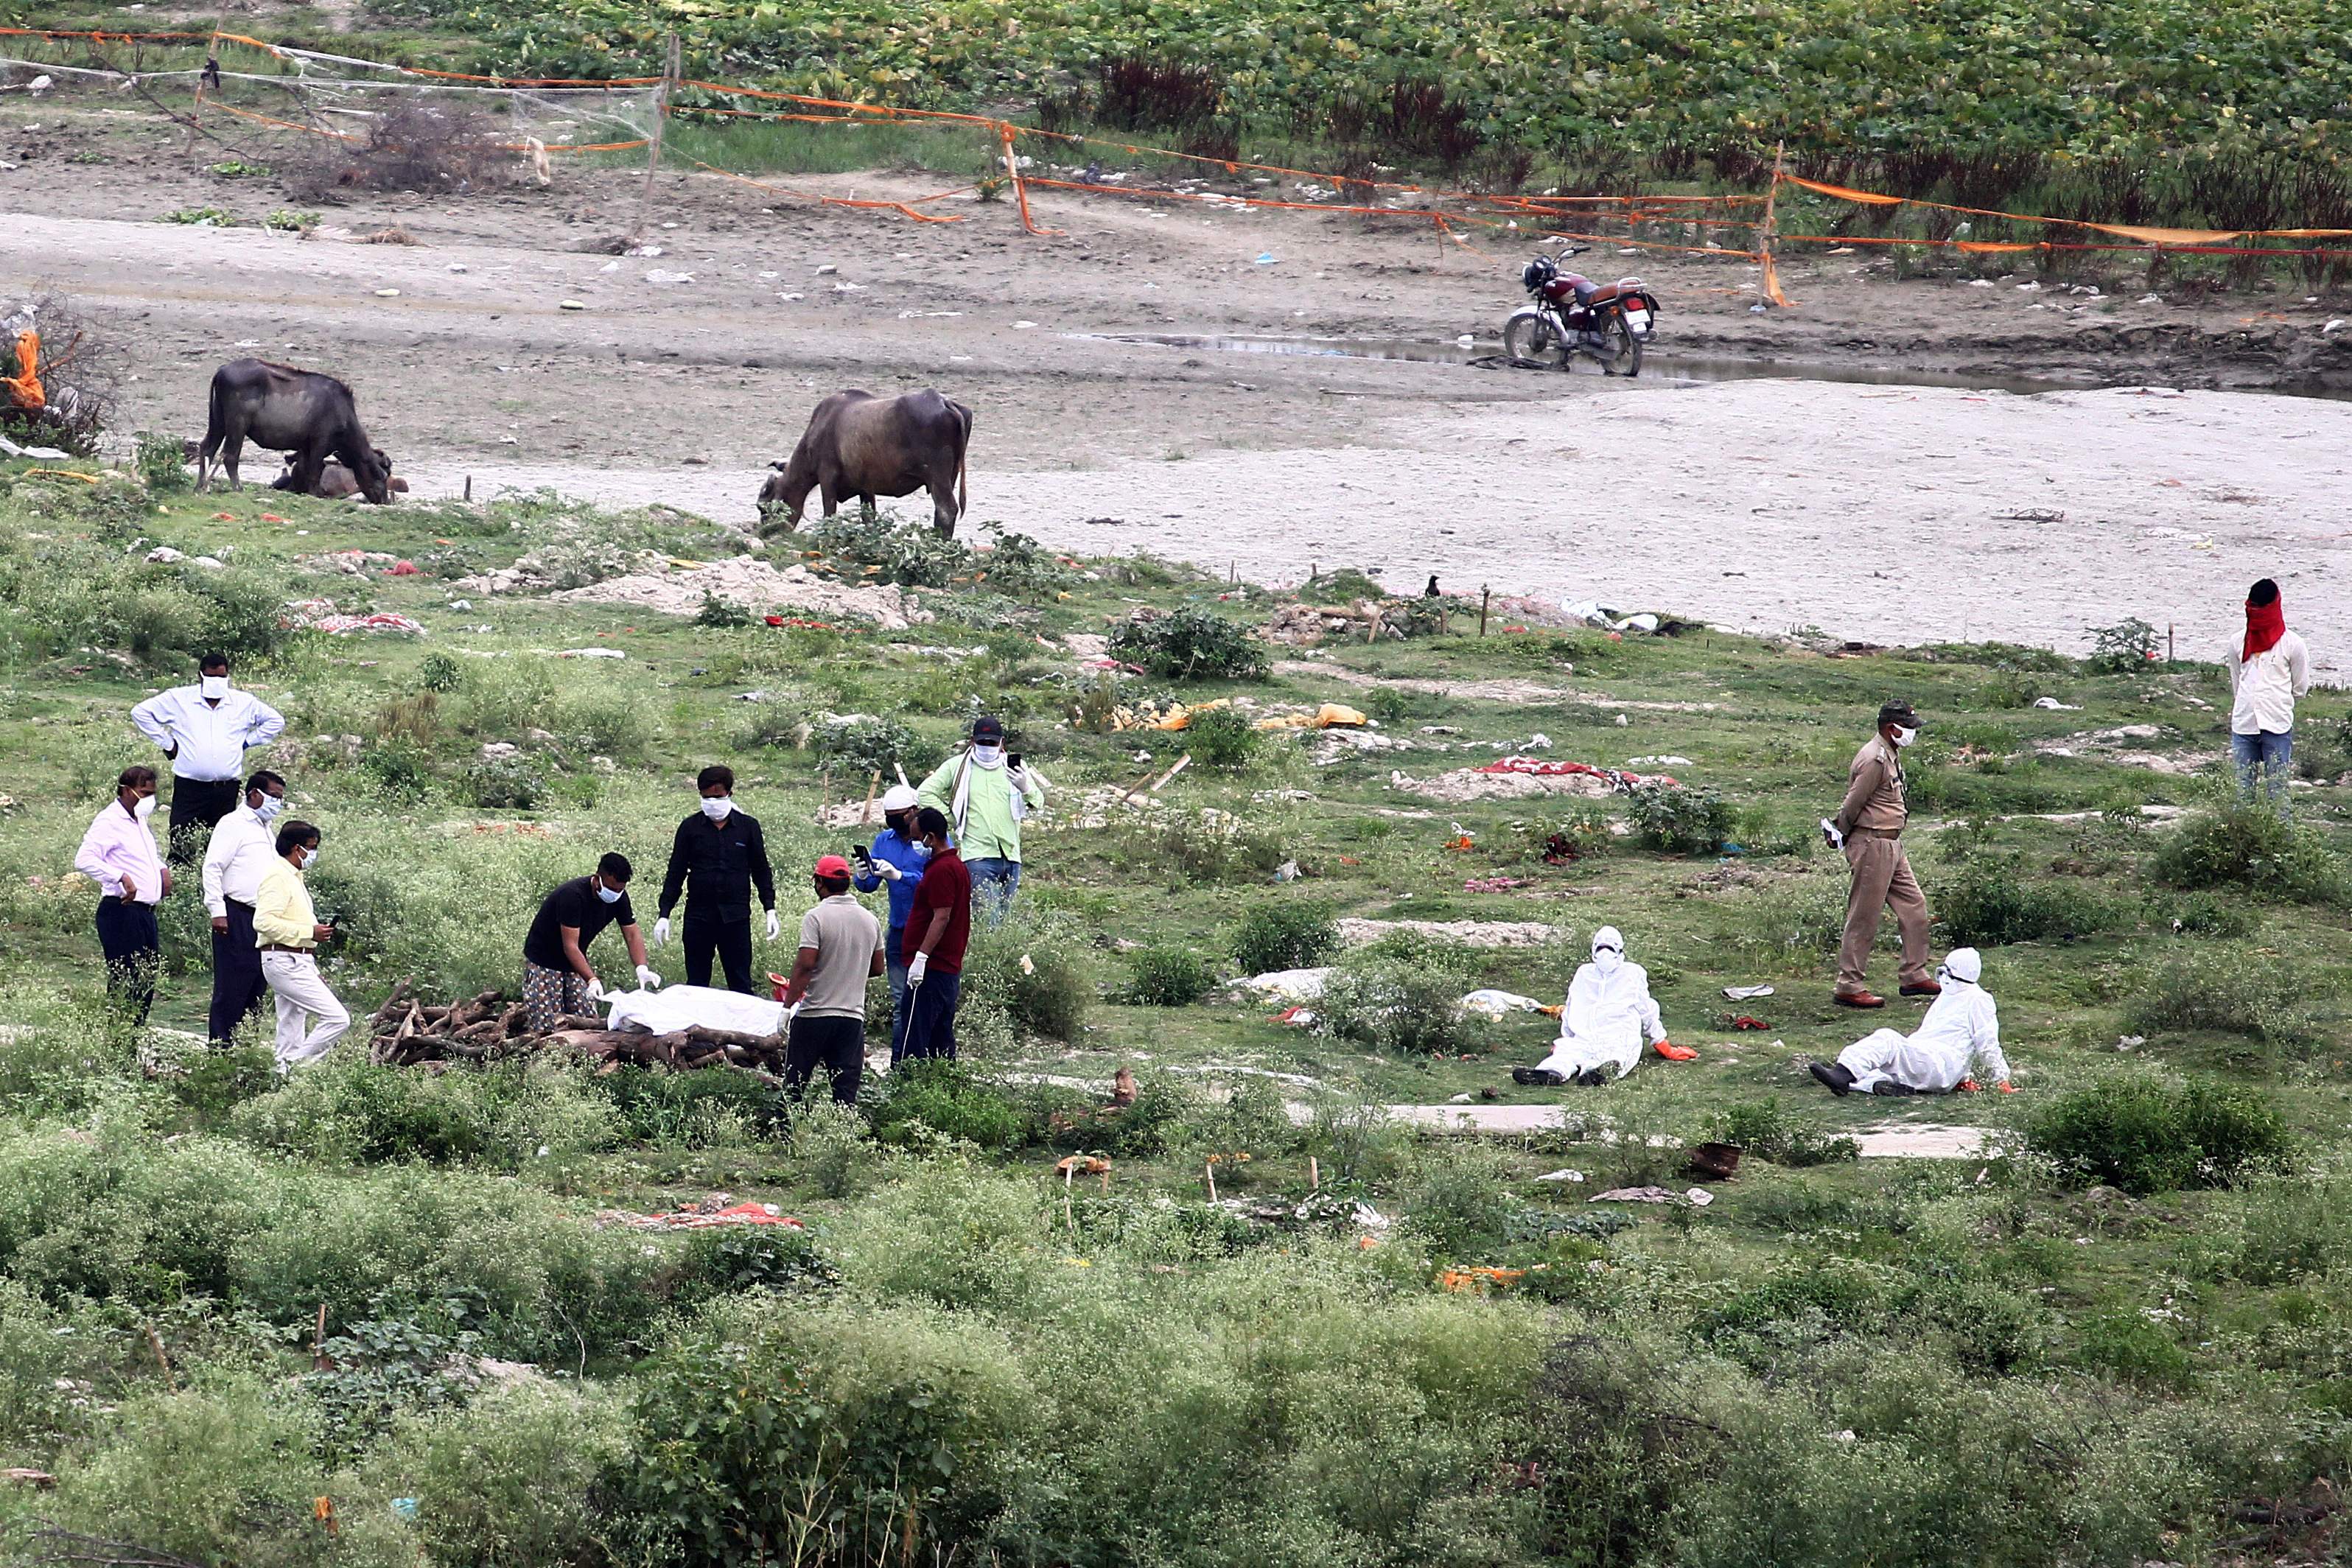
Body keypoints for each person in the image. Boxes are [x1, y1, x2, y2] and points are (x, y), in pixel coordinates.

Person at [1822, 700, 1934, 1009]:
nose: (1912, 734)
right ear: (1891, 728)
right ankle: (1849, 984)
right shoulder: (1874, 759)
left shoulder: (1889, 754)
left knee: (1914, 906)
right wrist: (1840, 832)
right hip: (1873, 844)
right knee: (1864, 916)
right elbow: (1853, 802)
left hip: (1891, 843)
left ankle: (1914, 974)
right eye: (1908, 728)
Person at [130, 653, 286, 869]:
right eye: (211, 677)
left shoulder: (243, 702)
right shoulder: (179, 699)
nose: (216, 682)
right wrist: (168, 743)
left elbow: (275, 721)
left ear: (228, 676)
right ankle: (180, 883)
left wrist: (247, 742)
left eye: (221, 677)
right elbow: (141, 713)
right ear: (201, 676)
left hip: (225, 788)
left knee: (220, 844)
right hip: (190, 786)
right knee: (182, 841)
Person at [1811, 948, 2012, 1097]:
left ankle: (1841, 1075)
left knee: (1887, 1038)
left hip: (1939, 1064)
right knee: (1876, 1065)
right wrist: (1963, 1079)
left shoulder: (1978, 999)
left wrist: (2001, 1079)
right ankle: (1874, 1085)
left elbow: (1986, 1043)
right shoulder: (1950, 994)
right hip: (1929, 1056)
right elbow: (1960, 1038)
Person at [1511, 926, 1693, 1087]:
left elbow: (1570, 1008)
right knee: (1617, 1055)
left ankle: (1556, 1071)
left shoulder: (1591, 972)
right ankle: (1583, 1073)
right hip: (1612, 1037)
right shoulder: (1628, 972)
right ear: (1621, 952)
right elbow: (1647, 1010)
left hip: (1596, 1037)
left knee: (1576, 1055)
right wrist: (1662, 1044)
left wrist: (1566, 1039)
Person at [653, 764, 779, 994]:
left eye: (717, 796)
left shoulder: (748, 827)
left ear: (729, 794)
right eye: (706, 797)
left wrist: (769, 908)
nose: (712, 802)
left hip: (736, 917)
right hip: (699, 916)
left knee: (740, 982)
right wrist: (665, 913)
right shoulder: (690, 828)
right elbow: (676, 872)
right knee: (697, 983)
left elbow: (761, 869)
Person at [780, 854, 886, 1104]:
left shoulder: (816, 917)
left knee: (794, 1086)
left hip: (815, 1016)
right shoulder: (870, 919)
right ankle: (845, 1135)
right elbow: (878, 967)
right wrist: (850, 968)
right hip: (851, 1019)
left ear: (819, 883)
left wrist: (787, 1007)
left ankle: (787, 1134)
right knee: (845, 1094)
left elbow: (806, 965)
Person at [916, 715, 1041, 920]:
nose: (987, 747)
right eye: (982, 743)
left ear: (1002, 743)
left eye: (992, 743)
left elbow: (1038, 801)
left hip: (1011, 855)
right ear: (972, 742)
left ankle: (1001, 953)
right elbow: (925, 793)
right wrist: (953, 817)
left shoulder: (1014, 767)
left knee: (1005, 919)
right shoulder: (957, 766)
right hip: (978, 856)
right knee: (989, 921)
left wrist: (1025, 787)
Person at [520, 853, 661, 1032]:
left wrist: (642, 967)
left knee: (586, 1018)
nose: (615, 894)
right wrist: (592, 979)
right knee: (548, 1024)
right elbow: (570, 945)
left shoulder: (619, 898)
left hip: (575, 961)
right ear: (597, 880)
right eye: (611, 888)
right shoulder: (572, 896)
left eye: (620, 889)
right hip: (545, 962)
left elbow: (632, 933)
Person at [73, 765, 168, 1026]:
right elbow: (84, 859)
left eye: (152, 793)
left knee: (147, 979)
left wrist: (162, 870)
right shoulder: (110, 820)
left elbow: (144, 856)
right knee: (127, 980)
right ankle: (118, 1040)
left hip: (145, 912)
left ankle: (132, 1038)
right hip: (122, 909)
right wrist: (120, 876)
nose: (149, 799)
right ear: (127, 790)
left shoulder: (140, 821)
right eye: (144, 792)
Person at [199, 768, 287, 1047]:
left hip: (262, 918)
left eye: (281, 798)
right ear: (254, 794)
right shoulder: (234, 824)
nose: (278, 803)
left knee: (256, 985)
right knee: (232, 986)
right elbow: (213, 867)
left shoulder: (265, 829)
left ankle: (246, 1045)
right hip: (236, 913)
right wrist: (217, 911)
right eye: (273, 796)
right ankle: (221, 1049)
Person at [252, 819, 349, 1072]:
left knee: (291, 1023)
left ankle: (282, 1078)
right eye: (311, 847)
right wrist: (309, 932)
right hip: (284, 959)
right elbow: (263, 922)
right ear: (297, 848)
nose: (313, 854)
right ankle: (294, 1066)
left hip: (298, 959)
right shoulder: (277, 877)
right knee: (338, 1018)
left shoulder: (294, 877)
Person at [852, 783, 930, 1056]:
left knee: (927, 999)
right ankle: (899, 1061)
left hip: (929, 931)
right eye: (891, 815)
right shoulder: (884, 841)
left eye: (901, 815)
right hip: (898, 929)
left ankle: (927, 1058)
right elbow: (870, 884)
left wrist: (901, 876)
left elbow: (939, 882)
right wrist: (863, 875)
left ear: (914, 811)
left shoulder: (930, 842)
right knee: (900, 1000)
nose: (897, 821)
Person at [2223, 578, 2310, 817]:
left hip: (2277, 725)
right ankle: (2243, 846)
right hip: (2244, 724)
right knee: (2243, 793)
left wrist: (2275, 700)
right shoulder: (2237, 642)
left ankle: (2282, 846)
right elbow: (2237, 681)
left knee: (2278, 791)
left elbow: (2300, 687)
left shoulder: (2293, 644)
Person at [898, 807, 971, 1063]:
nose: (916, 844)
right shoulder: (955, 866)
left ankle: (906, 1086)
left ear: (931, 837)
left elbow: (942, 916)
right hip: (946, 968)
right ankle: (943, 1085)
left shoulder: (942, 870)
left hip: (932, 968)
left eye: (918, 839)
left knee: (913, 1037)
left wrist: (921, 957)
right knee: (940, 1039)